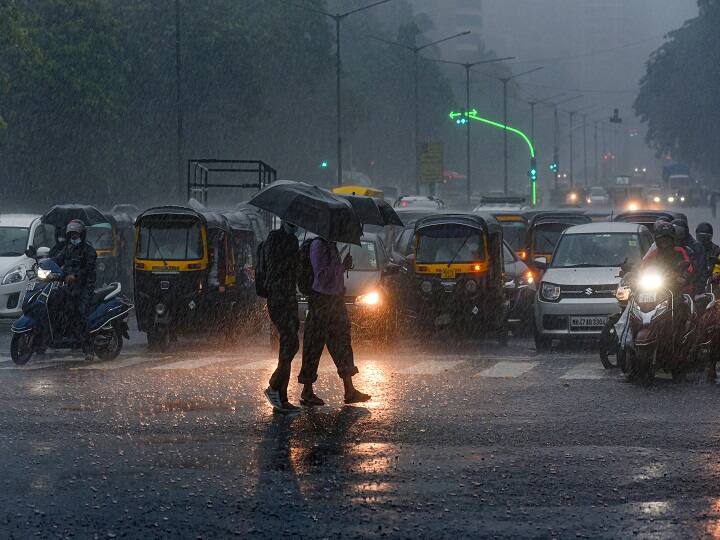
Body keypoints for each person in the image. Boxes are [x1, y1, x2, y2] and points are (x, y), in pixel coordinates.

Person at [298, 237, 371, 406]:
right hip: (321, 301)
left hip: (336, 300)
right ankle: (307, 390)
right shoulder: (318, 245)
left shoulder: (332, 245)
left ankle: (349, 390)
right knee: (314, 345)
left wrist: (342, 267)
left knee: (342, 343)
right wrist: (341, 267)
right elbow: (322, 275)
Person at [262, 221, 302, 413]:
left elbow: (294, 272)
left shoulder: (293, 240)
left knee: (289, 344)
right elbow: (275, 267)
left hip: (289, 296)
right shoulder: (274, 238)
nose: (296, 227)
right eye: (293, 223)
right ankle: (274, 386)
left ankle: (281, 396)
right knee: (290, 342)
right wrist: (294, 257)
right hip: (277, 296)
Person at [53, 220, 97, 360]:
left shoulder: (88, 251)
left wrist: (75, 276)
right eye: (71, 234)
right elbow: (56, 260)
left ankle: (88, 348)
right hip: (68, 287)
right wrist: (40, 260)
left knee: (79, 314)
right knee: (55, 304)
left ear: (82, 235)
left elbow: (88, 269)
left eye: (76, 234)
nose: (73, 237)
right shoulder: (67, 248)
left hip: (84, 288)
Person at [671, 218, 705, 292]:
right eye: (674, 231)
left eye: (679, 231)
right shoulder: (666, 246)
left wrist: (686, 277)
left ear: (685, 232)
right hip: (669, 280)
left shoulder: (695, 246)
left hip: (690, 282)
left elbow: (697, 267)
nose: (676, 234)